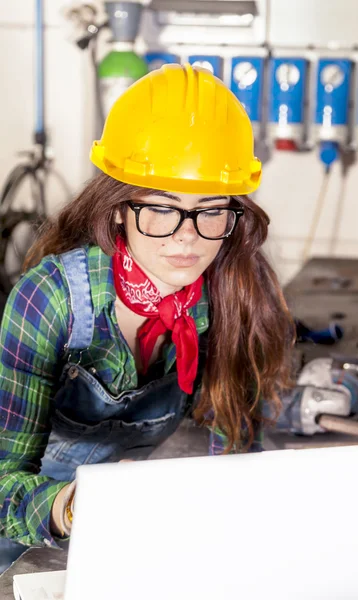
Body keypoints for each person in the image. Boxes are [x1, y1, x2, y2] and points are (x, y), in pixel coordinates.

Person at [0, 63, 293, 572]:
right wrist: (70, 507)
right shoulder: (50, 300)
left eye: (210, 209)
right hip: (23, 532)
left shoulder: (236, 292)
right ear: (118, 207)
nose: (187, 236)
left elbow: (236, 449)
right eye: (160, 207)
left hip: (135, 532)